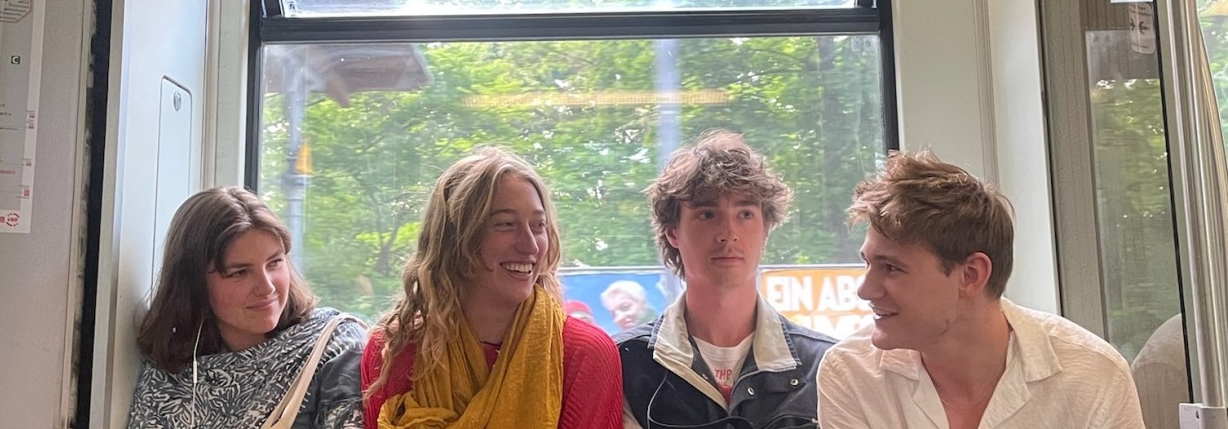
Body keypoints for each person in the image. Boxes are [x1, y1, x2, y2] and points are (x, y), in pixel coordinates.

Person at [817, 150, 1145, 428]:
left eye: (891, 268)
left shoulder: (1091, 374)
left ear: (971, 275)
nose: (865, 290)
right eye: (867, 263)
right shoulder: (851, 373)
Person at [361, 147, 623, 429]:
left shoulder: (584, 354)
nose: (530, 245)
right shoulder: (394, 349)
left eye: (538, 226)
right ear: (455, 238)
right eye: (506, 224)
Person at [615, 130, 836, 428]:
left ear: (766, 229)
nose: (728, 233)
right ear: (673, 233)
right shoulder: (625, 363)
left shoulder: (825, 364)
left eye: (745, 214)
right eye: (707, 215)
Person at [127, 186, 366, 429]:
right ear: (193, 283)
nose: (267, 287)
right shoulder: (168, 375)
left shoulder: (334, 346)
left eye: (275, 263)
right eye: (240, 272)